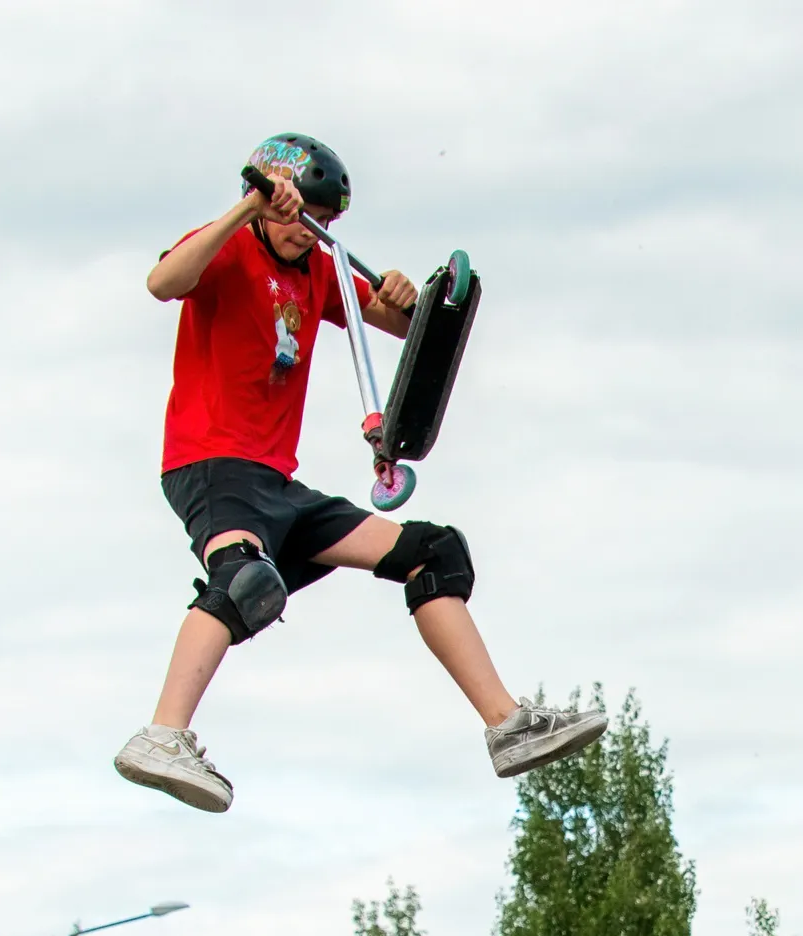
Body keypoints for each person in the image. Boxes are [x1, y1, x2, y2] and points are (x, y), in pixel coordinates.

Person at [114, 132, 607, 813]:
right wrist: (242, 210)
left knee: (432, 552)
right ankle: (162, 734)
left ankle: (507, 727)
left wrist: (410, 296)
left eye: (324, 223)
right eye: (296, 215)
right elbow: (162, 282)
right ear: (264, 199)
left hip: (279, 487)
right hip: (212, 462)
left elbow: (409, 328)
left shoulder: (319, 270)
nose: (306, 233)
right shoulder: (228, 245)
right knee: (244, 581)